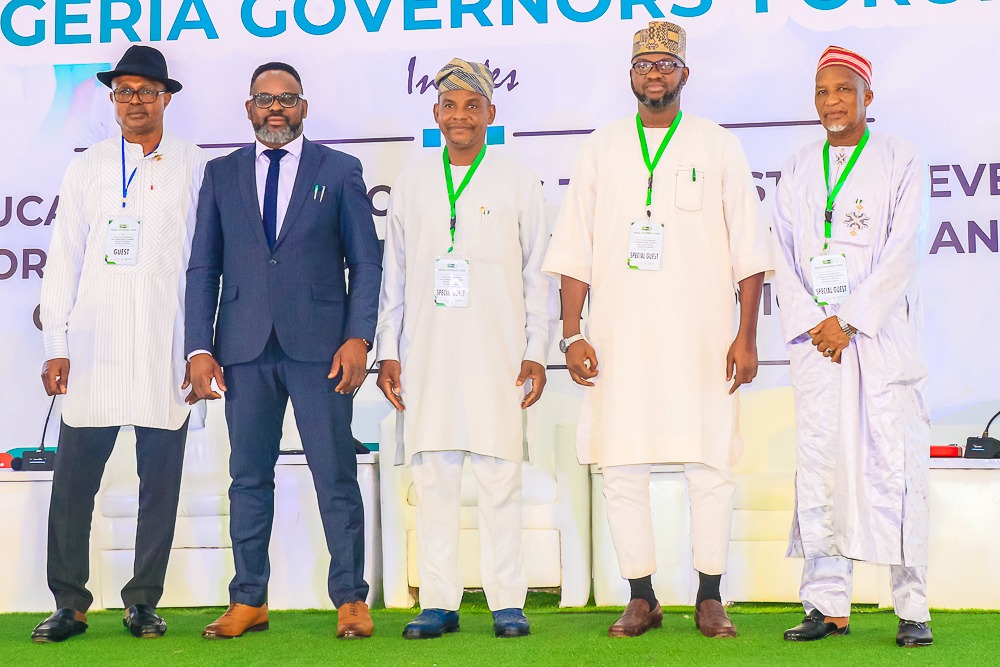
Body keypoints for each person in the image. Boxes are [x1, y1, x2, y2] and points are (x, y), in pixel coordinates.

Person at [542, 21, 772, 638]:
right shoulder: (601, 147)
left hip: (703, 339)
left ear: (684, 74)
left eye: (666, 64)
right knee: (621, 465)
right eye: (644, 63)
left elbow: (750, 253)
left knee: (710, 465)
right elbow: (574, 251)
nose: (654, 73)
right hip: (619, 340)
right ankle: (640, 596)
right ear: (631, 74)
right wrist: (572, 335)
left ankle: (710, 595)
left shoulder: (718, 145)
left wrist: (746, 335)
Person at [184, 62, 382, 640]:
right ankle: (249, 599)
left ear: (304, 107)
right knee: (247, 478)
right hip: (243, 349)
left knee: (335, 476)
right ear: (248, 108)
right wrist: (199, 347)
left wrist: (359, 337)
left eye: (287, 98)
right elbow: (204, 267)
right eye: (265, 99)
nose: (276, 108)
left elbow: (365, 261)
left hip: (322, 349)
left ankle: (351, 599)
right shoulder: (221, 174)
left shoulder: (339, 170)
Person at [33, 45, 206, 642]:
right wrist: (56, 343)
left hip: (165, 345)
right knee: (73, 487)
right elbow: (63, 260)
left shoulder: (194, 165)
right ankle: (69, 603)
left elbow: (204, 263)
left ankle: (143, 602)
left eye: (146, 91)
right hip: (94, 347)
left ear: (166, 98)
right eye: (124, 91)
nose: (135, 101)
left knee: (160, 486)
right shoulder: (88, 167)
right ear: (112, 99)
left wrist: (199, 347)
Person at [375, 58, 552, 640]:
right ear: (435, 113)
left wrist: (536, 348)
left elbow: (536, 274)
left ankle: (507, 602)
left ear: (490, 113)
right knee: (434, 478)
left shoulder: (518, 180)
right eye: (450, 106)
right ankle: (439, 602)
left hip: (498, 353)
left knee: (500, 477)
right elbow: (395, 275)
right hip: (427, 354)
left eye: (472, 106)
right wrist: (388, 349)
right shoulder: (412, 181)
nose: (460, 116)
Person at [772, 46, 932, 648]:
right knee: (820, 470)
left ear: (868, 96)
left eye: (844, 89)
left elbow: (902, 251)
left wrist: (852, 321)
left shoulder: (899, 158)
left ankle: (913, 609)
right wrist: (819, 324)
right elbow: (782, 254)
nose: (832, 101)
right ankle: (826, 605)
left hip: (880, 341)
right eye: (822, 91)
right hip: (819, 345)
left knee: (896, 468)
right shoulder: (797, 166)